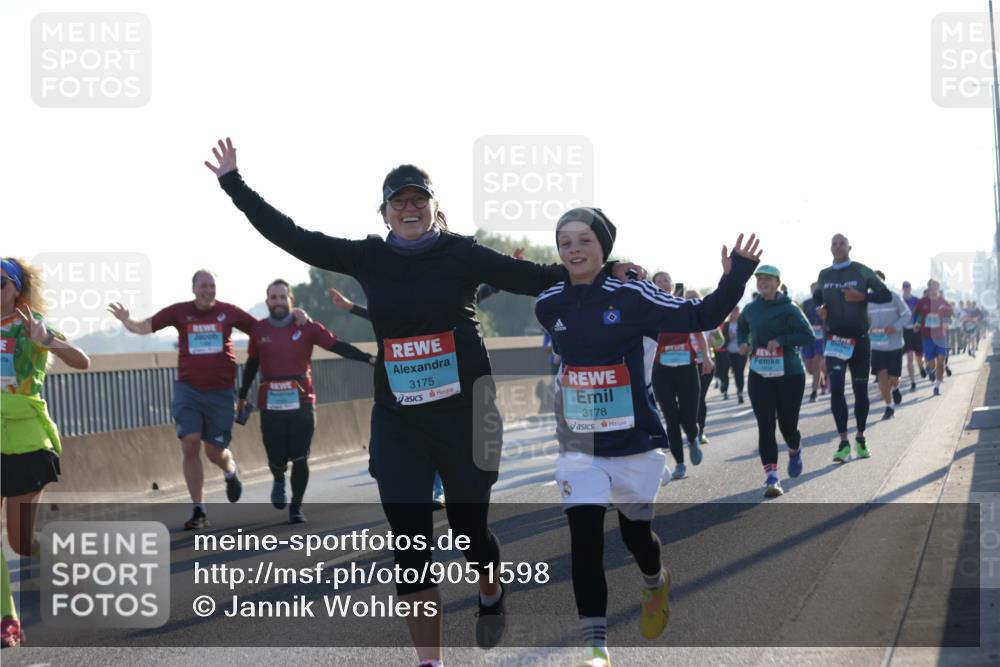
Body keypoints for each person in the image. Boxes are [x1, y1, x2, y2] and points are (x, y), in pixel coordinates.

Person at [204, 137, 643, 664]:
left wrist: (605, 268)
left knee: (469, 531)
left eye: (419, 199)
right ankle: (430, 661)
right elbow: (292, 237)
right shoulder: (366, 255)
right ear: (385, 212)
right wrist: (235, 184)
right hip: (399, 420)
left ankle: (490, 589)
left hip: (466, 413)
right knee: (409, 543)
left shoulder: (460, 253)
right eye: (399, 201)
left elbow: (534, 278)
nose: (409, 208)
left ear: (435, 207)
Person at [536, 207, 761, 667]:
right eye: (565, 243)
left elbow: (702, 315)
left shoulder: (633, 296)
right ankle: (596, 647)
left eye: (584, 240)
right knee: (584, 539)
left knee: (636, 537)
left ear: (603, 247)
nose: (574, 250)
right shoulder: (549, 303)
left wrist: (736, 276)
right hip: (580, 445)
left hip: (635, 442)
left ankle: (655, 580)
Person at [109, 270, 305, 530]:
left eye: (212, 286)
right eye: (203, 286)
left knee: (214, 452)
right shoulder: (179, 312)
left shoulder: (229, 312)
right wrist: (127, 320)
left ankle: (230, 470)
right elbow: (144, 327)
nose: (208, 291)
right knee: (190, 443)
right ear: (194, 289)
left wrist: (297, 317)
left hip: (221, 393)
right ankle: (199, 510)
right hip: (188, 390)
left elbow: (264, 329)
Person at [1, 258, 91, 649]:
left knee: (21, 542)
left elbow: (82, 361)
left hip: (27, 438)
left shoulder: (32, 325)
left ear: (16, 289)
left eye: (0, 282)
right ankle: (9, 620)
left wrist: (46, 341)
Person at [238, 279, 376, 523]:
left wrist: (368, 359)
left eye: (283, 297)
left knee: (301, 456)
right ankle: (279, 478)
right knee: (276, 458)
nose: (278, 301)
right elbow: (252, 364)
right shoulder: (259, 331)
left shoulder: (307, 326)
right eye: (273, 297)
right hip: (270, 404)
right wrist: (241, 395)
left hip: (302, 400)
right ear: (267, 301)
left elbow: (337, 345)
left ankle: (296, 506)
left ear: (291, 300)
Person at [812, 234, 891, 464]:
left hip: (860, 340)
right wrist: (821, 309)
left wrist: (862, 296)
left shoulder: (862, 271)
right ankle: (844, 442)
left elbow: (885, 294)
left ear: (849, 247)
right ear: (830, 248)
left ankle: (860, 437)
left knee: (860, 391)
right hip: (835, 339)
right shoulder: (824, 274)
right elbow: (817, 298)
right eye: (834, 244)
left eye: (842, 243)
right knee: (836, 389)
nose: (838, 247)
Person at [736, 265, 812, 496]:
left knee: (787, 426)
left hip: (789, 373)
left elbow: (808, 335)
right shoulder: (750, 309)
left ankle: (794, 448)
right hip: (760, 373)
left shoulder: (790, 308)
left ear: (778, 282)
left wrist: (781, 340)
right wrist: (743, 342)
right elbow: (741, 328)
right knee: (766, 425)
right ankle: (772, 477)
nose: (763, 283)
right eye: (759, 279)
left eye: (768, 279)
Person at [649, 273, 703, 482]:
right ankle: (680, 464)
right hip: (661, 370)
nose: (662, 283)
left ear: (672, 285)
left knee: (688, 417)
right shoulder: (648, 310)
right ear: (652, 286)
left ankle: (693, 435)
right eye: (658, 281)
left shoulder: (683, 306)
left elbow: (698, 334)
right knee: (671, 418)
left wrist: (706, 357)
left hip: (687, 368)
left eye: (665, 280)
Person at [867, 271, 911, 420]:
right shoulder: (867, 300)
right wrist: (867, 328)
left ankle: (896, 388)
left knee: (893, 379)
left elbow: (907, 314)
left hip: (894, 345)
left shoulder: (893, 297)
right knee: (882, 378)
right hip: (877, 345)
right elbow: (863, 319)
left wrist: (896, 327)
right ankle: (889, 406)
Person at [685, 289, 717, 445]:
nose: (692, 300)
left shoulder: (708, 317)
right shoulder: (679, 317)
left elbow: (720, 342)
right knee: (688, 399)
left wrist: (713, 338)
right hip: (685, 363)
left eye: (695, 297)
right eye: (688, 298)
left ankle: (700, 432)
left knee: (699, 397)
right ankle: (690, 428)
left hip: (705, 363)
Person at [913, 280, 954, 396]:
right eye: (934, 286)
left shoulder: (942, 300)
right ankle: (931, 370)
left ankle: (937, 386)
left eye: (937, 286)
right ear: (929, 287)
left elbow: (950, 312)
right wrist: (917, 324)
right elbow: (918, 315)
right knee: (932, 362)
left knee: (941, 361)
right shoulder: (922, 302)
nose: (936, 288)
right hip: (927, 336)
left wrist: (946, 320)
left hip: (940, 335)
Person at [799, 282, 827, 402]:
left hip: (820, 339)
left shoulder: (826, 303)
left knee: (816, 363)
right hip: (808, 338)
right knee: (810, 368)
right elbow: (800, 319)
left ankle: (814, 392)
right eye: (812, 289)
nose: (814, 291)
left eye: (816, 289)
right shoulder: (806, 303)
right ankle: (822, 379)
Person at [900, 280, 925, 392]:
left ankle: (921, 367)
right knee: (909, 357)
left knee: (919, 357)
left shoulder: (916, 300)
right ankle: (913, 382)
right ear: (902, 289)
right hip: (905, 332)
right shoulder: (899, 301)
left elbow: (921, 314)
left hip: (916, 331)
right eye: (904, 287)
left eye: (908, 287)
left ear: (910, 288)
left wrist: (918, 324)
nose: (906, 289)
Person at [719, 306, 747, 403]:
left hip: (741, 351)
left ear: (739, 312)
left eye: (737, 311)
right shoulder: (727, 325)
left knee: (740, 372)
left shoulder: (742, 323)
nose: (735, 313)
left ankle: (740, 392)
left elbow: (747, 335)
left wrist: (742, 340)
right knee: (735, 372)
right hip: (730, 352)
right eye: (733, 311)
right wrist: (729, 337)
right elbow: (723, 339)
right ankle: (736, 390)